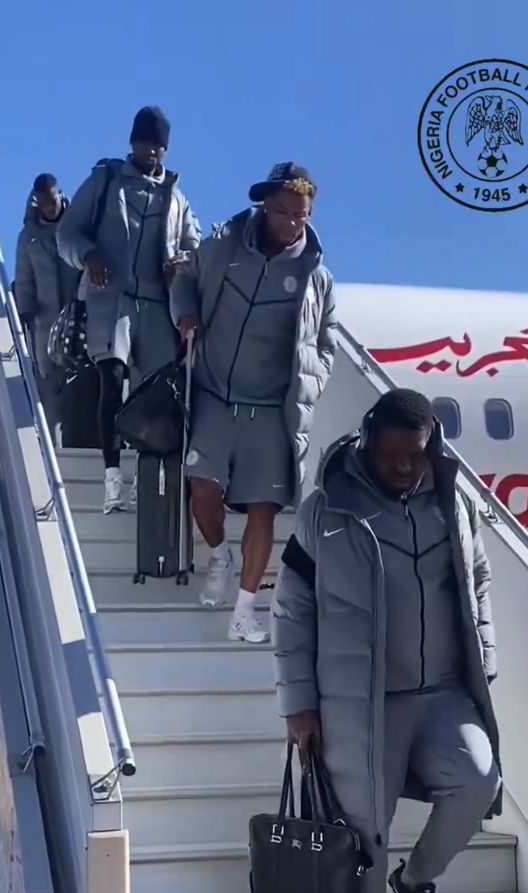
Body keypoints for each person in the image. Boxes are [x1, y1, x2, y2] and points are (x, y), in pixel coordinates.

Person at [272, 388, 502, 893]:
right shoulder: (326, 512)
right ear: (368, 441)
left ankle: (416, 880)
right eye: (392, 454)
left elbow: (478, 577)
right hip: (361, 702)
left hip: (443, 693)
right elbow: (292, 610)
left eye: (415, 454)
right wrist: (298, 704)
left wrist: (486, 652)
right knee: (365, 826)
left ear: (431, 446)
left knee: (479, 781)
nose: (404, 467)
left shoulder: (453, 502)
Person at [171, 163, 337, 644]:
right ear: (264, 205)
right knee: (203, 490)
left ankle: (245, 610)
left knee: (264, 508)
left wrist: (313, 379)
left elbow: (326, 341)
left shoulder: (316, 278)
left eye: (302, 215)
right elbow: (185, 279)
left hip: (271, 410)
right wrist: (186, 314)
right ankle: (218, 554)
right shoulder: (225, 247)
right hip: (215, 395)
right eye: (283, 211)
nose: (292, 222)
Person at [56, 106, 200, 513]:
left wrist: (182, 264)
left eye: (158, 145)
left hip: (156, 306)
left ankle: (141, 475)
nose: (151, 150)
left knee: (152, 394)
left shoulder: (177, 199)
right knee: (113, 378)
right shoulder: (106, 181)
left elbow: (194, 248)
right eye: (144, 142)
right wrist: (88, 254)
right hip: (111, 299)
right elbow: (68, 232)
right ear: (132, 142)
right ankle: (111, 475)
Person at [15, 173, 80, 431]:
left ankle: (78, 433)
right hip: (45, 320)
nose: (49, 208)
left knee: (79, 374)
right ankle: (52, 439)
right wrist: (25, 309)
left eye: (52, 201)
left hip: (77, 317)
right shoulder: (29, 238)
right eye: (43, 203)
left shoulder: (76, 228)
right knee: (47, 378)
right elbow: (24, 277)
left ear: (60, 196)